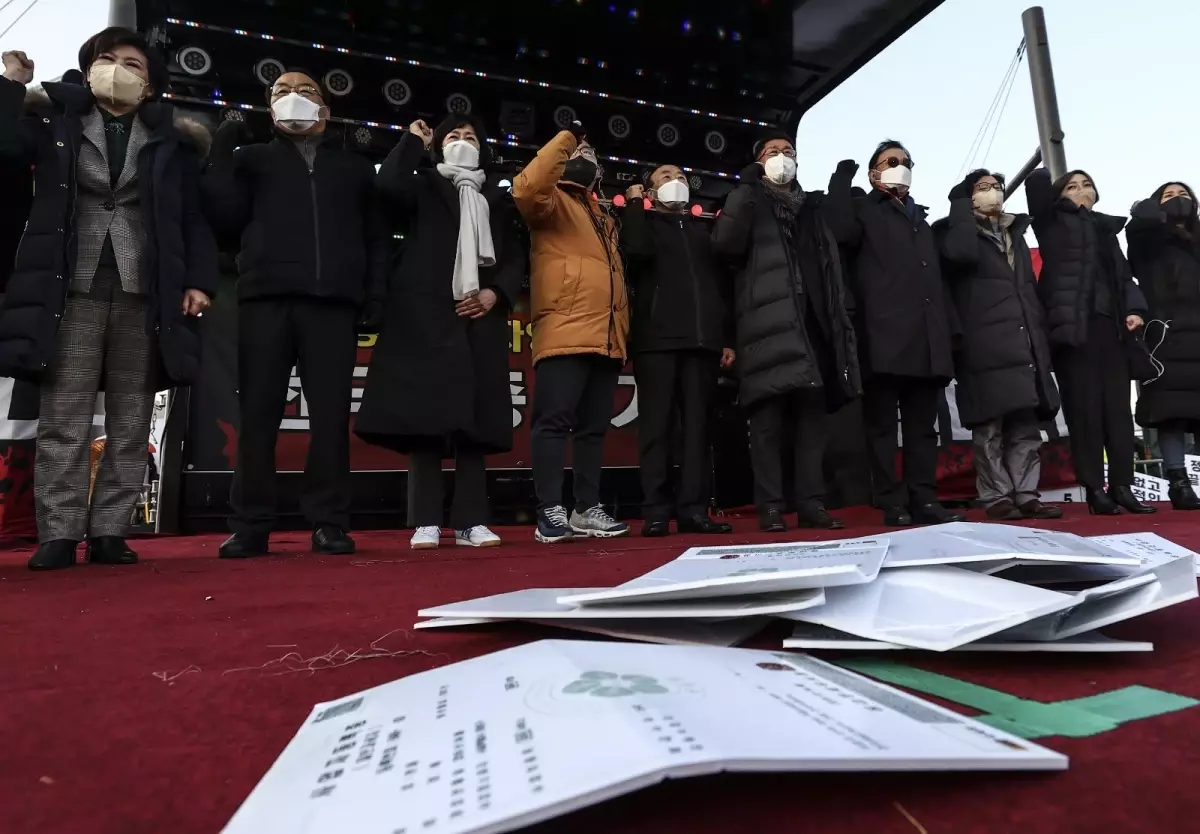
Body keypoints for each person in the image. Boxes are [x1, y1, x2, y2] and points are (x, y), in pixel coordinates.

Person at [0, 31, 217, 571]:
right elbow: (2, 147)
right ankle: (59, 531)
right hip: (68, 284)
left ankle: (110, 532)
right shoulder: (54, 121)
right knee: (64, 416)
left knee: (131, 418)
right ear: (88, 69)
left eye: (132, 64)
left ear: (150, 83)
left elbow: (191, 217)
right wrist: (11, 86)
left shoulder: (172, 140)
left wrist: (199, 281)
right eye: (107, 60)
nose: (118, 69)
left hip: (146, 290)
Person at [202, 69, 389, 558]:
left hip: (333, 305)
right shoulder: (252, 159)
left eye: (305, 92)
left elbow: (375, 237)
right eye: (282, 92)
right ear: (270, 108)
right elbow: (222, 215)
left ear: (325, 110)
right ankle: (251, 524)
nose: (293, 98)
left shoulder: (353, 168)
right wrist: (223, 148)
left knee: (329, 419)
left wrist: (374, 294)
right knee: (258, 414)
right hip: (266, 298)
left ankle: (328, 521)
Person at [355, 115, 527, 547]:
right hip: (424, 312)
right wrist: (413, 140)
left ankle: (471, 520)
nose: (463, 141)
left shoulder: (496, 194)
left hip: (478, 314)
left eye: (471, 136)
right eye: (454, 136)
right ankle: (426, 518)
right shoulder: (424, 184)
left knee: (475, 418)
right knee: (424, 416)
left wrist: (496, 294)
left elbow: (517, 256)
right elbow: (388, 186)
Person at [712, 132, 861, 532]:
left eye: (788, 152)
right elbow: (725, 244)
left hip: (812, 322)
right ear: (760, 162)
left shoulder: (811, 205)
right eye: (772, 153)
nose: (782, 158)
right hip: (766, 324)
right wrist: (744, 188)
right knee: (767, 425)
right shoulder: (749, 199)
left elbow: (839, 247)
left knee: (813, 422)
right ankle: (771, 507)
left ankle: (812, 503)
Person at [827, 141, 964, 527]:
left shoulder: (920, 218)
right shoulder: (862, 209)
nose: (900, 167)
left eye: (906, 162)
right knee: (883, 428)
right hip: (883, 337)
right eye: (891, 162)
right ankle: (891, 501)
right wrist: (841, 180)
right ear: (874, 172)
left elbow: (936, 280)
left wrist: (949, 330)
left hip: (926, 339)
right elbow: (839, 232)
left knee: (924, 429)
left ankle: (925, 498)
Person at [512, 122, 631, 543]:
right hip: (565, 325)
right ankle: (550, 509)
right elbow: (525, 189)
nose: (585, 158)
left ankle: (586, 507)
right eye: (578, 154)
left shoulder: (603, 215)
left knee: (593, 428)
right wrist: (566, 138)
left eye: (590, 155)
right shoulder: (551, 202)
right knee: (552, 421)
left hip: (606, 333)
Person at [935, 170, 1062, 521]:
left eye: (996, 187)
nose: (992, 193)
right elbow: (959, 254)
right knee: (989, 427)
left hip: (1024, 340)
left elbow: (1027, 288)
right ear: (967, 195)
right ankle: (996, 496)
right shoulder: (952, 230)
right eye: (982, 188)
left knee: (1025, 426)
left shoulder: (1015, 231)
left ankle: (1026, 493)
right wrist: (959, 207)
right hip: (981, 342)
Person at [1026, 168, 1154, 515]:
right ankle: (1095, 489)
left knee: (1118, 412)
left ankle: (1124, 486)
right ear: (1059, 195)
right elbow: (1036, 190)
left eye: (1086, 184)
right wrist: (1048, 172)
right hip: (1072, 331)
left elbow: (1124, 275)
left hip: (1110, 328)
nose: (1081, 190)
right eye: (1072, 186)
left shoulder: (1105, 229)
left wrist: (1134, 308)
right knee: (1085, 412)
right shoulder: (1051, 222)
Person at [621, 164, 734, 537]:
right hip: (657, 341)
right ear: (651, 192)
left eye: (681, 178)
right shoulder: (644, 223)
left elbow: (721, 287)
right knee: (657, 428)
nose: (677, 183)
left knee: (698, 431)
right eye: (666, 178)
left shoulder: (704, 230)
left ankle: (694, 510)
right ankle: (656, 511)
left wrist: (725, 337)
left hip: (702, 343)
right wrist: (635, 205)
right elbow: (634, 253)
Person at [1127, 182, 1200, 510]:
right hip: (1166, 336)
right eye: (1168, 196)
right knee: (1172, 413)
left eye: (1183, 195)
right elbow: (1138, 226)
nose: (1177, 201)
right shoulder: (1150, 239)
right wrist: (1153, 211)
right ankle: (1178, 481)